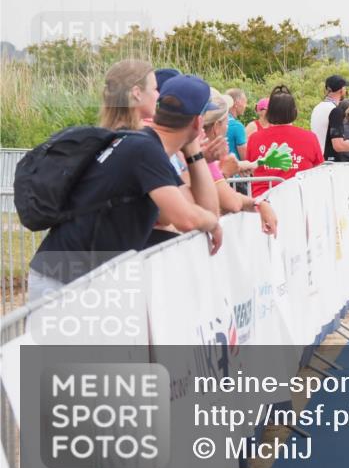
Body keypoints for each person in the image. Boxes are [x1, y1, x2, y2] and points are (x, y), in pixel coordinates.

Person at [28, 74, 223, 300]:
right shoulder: (145, 151)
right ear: (198, 122)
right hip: (66, 282)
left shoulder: (146, 147)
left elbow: (203, 209)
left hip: (76, 278)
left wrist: (194, 154)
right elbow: (187, 219)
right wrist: (214, 225)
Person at [201, 90, 278, 235]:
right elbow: (232, 202)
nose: (228, 126)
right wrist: (225, 173)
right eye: (226, 122)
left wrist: (258, 203)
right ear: (217, 126)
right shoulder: (198, 157)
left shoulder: (198, 154)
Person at [247, 85, 325, 198]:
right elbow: (318, 169)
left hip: (263, 202)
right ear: (294, 111)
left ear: (270, 112)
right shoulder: (310, 137)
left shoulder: (255, 138)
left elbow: (251, 168)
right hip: (299, 199)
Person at [98, 59, 158, 131]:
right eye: (154, 89)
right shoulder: (140, 140)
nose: (158, 95)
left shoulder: (102, 138)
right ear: (137, 93)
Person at [309, 74, 349, 158]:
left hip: (316, 156)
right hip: (329, 161)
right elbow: (338, 145)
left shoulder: (317, 107)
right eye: (345, 88)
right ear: (341, 90)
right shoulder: (335, 110)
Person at [225, 88, 249, 160]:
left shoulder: (217, 121)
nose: (246, 106)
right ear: (236, 103)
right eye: (245, 102)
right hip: (234, 168)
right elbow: (245, 157)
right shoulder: (237, 126)